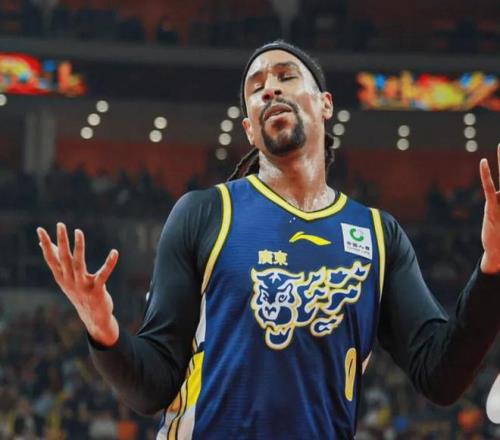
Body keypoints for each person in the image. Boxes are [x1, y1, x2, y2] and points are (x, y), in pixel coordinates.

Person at [37, 41, 500, 439]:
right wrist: (104, 330)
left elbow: (442, 376)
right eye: (256, 87)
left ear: (325, 104)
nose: (269, 89)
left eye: (285, 76)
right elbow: (152, 387)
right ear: (249, 129)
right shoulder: (205, 213)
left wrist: (493, 265)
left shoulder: (379, 235)